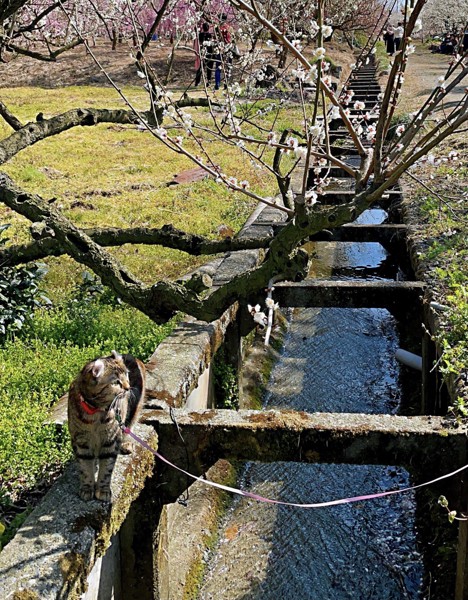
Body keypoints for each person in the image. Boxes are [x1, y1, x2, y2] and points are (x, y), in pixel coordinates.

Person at [194, 22, 213, 87]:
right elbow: (211, 44)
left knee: (200, 68)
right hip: (209, 53)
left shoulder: (200, 35)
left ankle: (197, 82)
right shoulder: (210, 35)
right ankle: (208, 81)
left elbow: (198, 43)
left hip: (202, 53)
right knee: (209, 69)